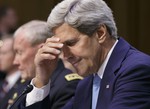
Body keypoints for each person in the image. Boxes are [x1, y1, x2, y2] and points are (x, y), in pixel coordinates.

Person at [20, 0, 150, 109]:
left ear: (100, 33)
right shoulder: (86, 83)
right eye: (61, 47)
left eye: (71, 43)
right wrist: (41, 80)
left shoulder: (137, 70)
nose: (65, 56)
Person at [12, 20, 82, 109]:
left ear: (42, 50)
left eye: (19, 52)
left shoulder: (67, 85)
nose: (15, 62)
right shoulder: (25, 82)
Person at [0, 36, 22, 109]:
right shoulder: (2, 83)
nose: (0, 57)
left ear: (16, 54)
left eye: (4, 53)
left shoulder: (27, 82)